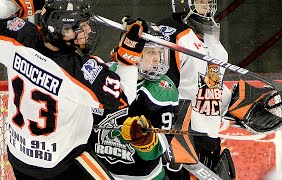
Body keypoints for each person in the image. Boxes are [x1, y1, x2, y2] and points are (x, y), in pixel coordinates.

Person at [0, 0, 148, 179]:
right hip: (63, 164)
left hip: (19, 159)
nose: (89, 31)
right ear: (64, 31)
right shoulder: (77, 72)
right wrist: (128, 59)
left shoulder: (17, 37)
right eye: (82, 27)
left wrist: (19, 4)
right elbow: (124, 97)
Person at [89, 24, 179, 180]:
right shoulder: (103, 74)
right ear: (133, 53)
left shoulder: (163, 90)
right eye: (151, 52)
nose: (157, 58)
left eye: (160, 52)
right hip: (99, 171)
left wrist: (146, 143)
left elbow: (158, 149)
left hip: (143, 177)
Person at [157, 0, 234, 178]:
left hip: (210, 138)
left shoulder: (215, 45)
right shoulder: (173, 35)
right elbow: (164, 90)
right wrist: (172, 133)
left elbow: (211, 88)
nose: (207, 6)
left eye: (209, 1)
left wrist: (237, 104)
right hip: (184, 136)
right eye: (201, 1)